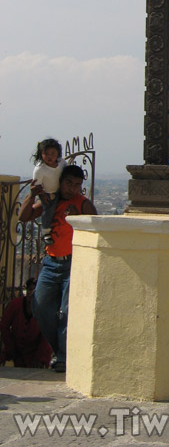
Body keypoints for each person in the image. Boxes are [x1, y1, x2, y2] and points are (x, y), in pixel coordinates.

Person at [18, 164, 97, 373]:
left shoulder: (83, 204)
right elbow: (23, 217)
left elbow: (96, 232)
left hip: (74, 262)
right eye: (68, 183)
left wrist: (77, 219)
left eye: (77, 185)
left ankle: (63, 357)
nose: (72, 188)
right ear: (60, 182)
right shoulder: (50, 203)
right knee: (40, 306)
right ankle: (60, 351)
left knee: (67, 311)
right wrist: (31, 195)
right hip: (51, 262)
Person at [0, 277, 52, 368]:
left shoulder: (44, 309)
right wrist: (10, 346)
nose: (31, 293)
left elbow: (46, 335)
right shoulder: (15, 304)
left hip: (35, 352)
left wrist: (40, 358)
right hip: (17, 350)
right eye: (30, 289)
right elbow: (4, 325)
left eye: (35, 290)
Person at [31, 138, 67, 244]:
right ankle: (46, 232)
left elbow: (66, 173)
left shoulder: (61, 163)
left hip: (61, 190)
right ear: (41, 154)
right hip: (47, 193)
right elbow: (37, 185)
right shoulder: (40, 169)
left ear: (58, 153)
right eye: (46, 154)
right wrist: (43, 195)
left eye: (52, 153)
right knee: (48, 211)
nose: (49, 156)